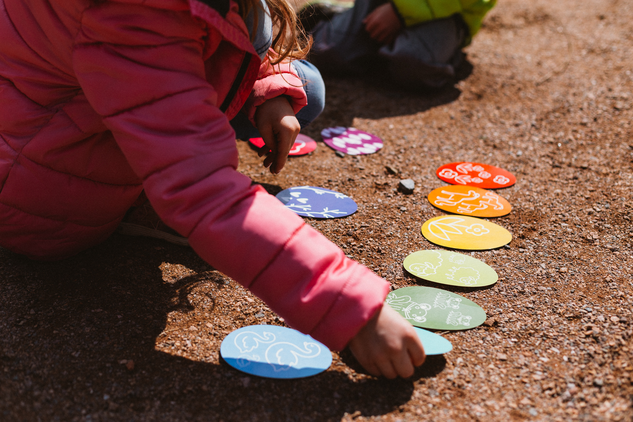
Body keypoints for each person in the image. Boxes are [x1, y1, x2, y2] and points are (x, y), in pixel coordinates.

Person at [0, 0, 425, 378]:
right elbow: (202, 187)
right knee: (191, 177)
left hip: (66, 106)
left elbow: (242, 21)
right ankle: (137, 199)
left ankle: (158, 174)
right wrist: (352, 312)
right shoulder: (128, 17)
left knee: (303, 86)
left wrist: (270, 88)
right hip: (38, 191)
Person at [300, 0, 496, 90]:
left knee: (413, 65)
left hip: (448, 11)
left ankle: (446, 52)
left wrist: (401, 10)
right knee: (326, 52)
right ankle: (338, 15)